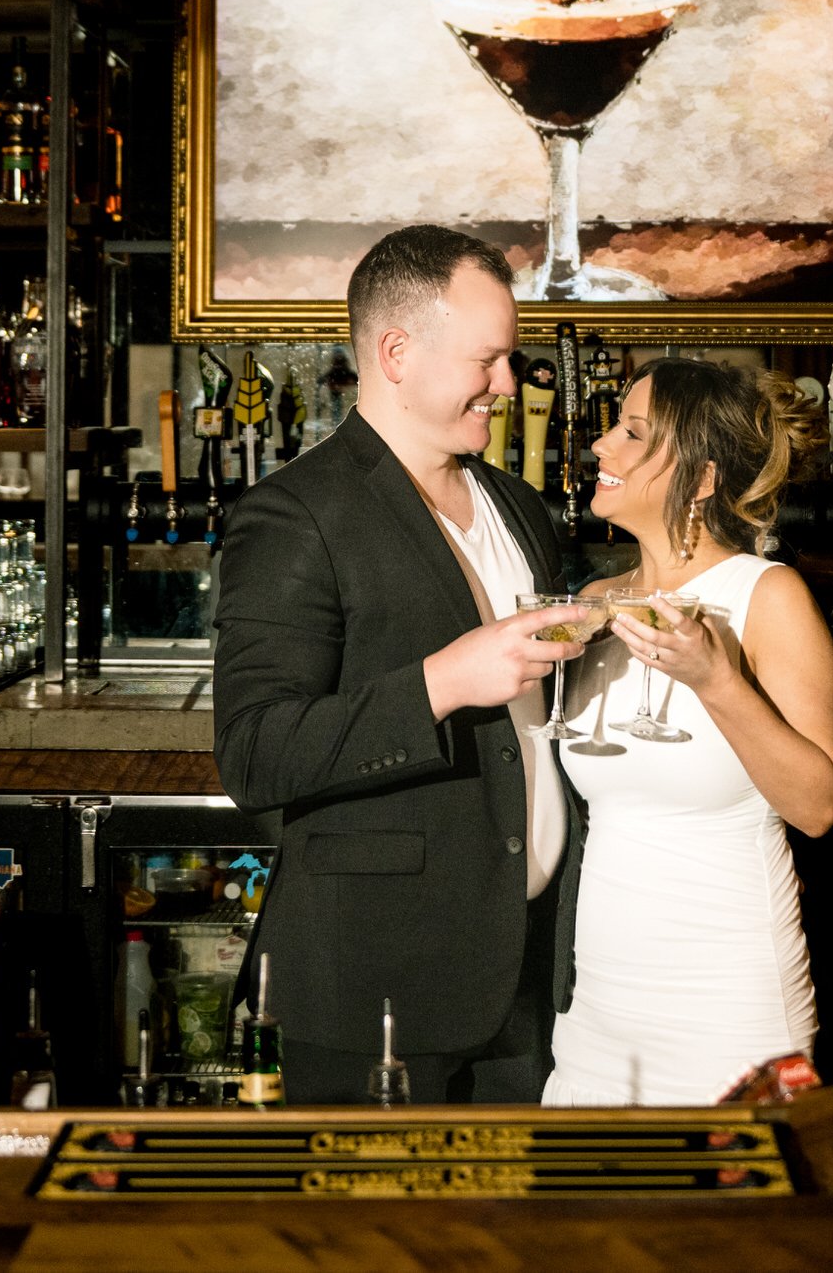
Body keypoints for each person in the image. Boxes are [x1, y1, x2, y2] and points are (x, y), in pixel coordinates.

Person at [213, 225, 587, 1104]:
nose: (507, 384)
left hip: (528, 974)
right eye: (486, 360)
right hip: (375, 989)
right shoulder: (295, 514)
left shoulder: (518, 506)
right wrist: (444, 681)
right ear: (395, 352)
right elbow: (255, 752)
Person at [542, 356, 833, 1106]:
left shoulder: (768, 596)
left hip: (727, 1012)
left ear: (702, 479)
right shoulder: (597, 601)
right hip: (599, 1014)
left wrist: (716, 679)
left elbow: (818, 804)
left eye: (633, 432)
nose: (602, 446)